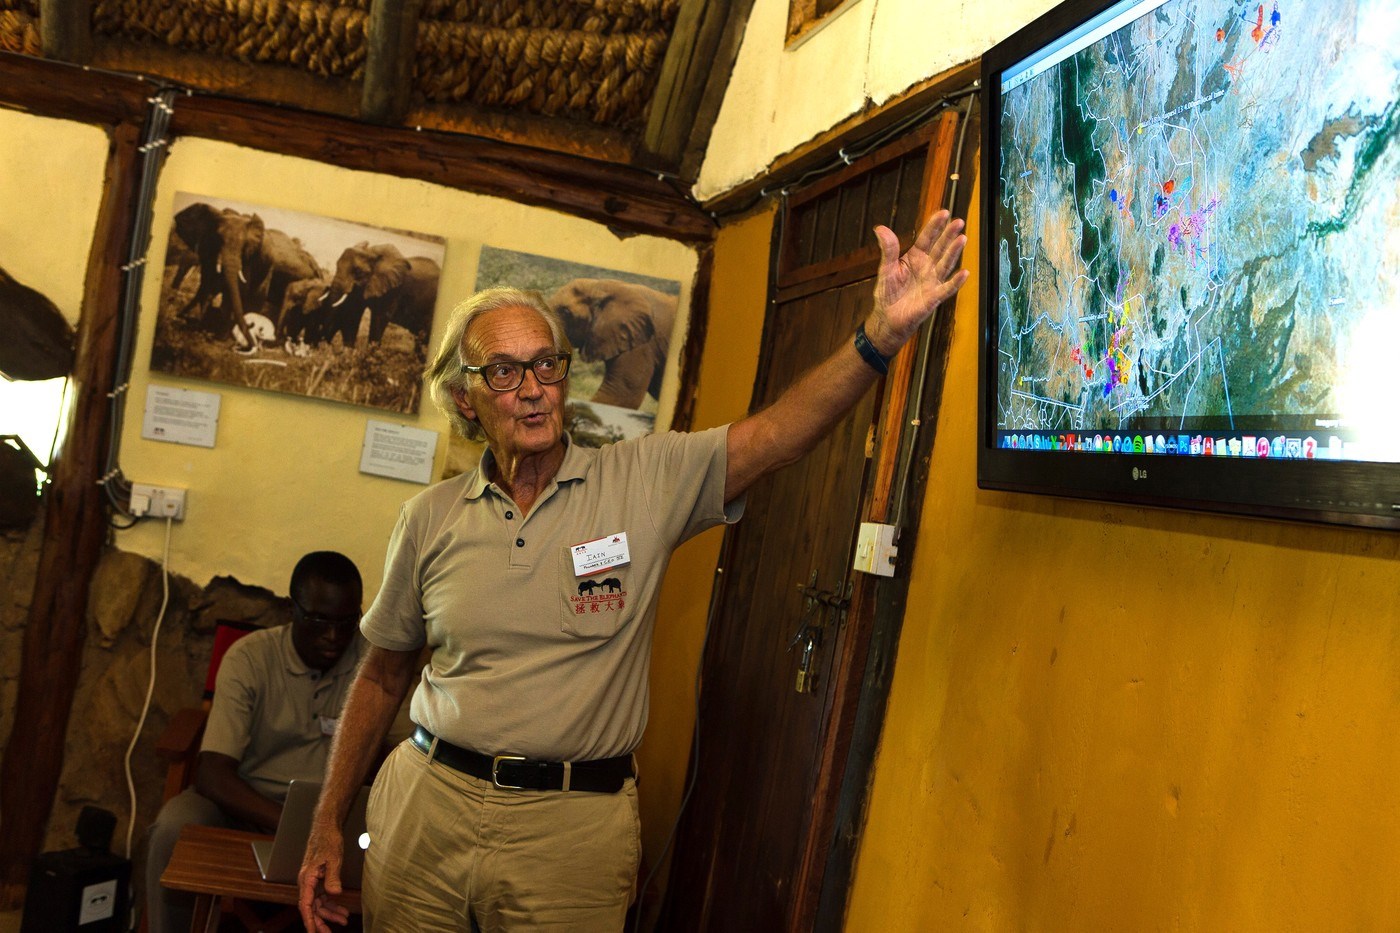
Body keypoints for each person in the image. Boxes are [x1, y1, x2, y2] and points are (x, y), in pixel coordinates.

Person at [297, 211, 970, 932]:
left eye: (547, 364)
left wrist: (879, 337)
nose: (533, 388)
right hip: (427, 809)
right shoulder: (429, 517)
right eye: (505, 371)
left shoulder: (645, 479)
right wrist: (327, 821)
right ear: (467, 398)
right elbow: (382, 677)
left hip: (571, 834)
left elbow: (779, 435)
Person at [145, 550, 366, 933]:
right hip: (247, 806)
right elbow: (212, 774)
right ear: (290, 609)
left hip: (334, 818)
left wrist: (329, 823)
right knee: (172, 828)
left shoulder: (373, 667)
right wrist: (293, 827)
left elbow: (398, 752)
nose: (333, 636)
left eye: (346, 622)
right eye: (319, 620)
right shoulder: (249, 657)